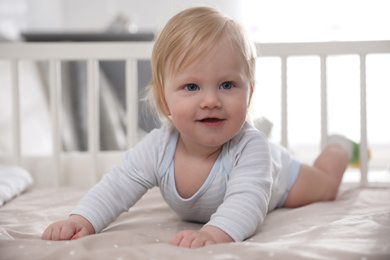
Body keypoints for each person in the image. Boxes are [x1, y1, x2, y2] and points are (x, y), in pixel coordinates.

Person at [41, 7, 359, 248]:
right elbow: (117, 186)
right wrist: (81, 220)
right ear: (164, 102)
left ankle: (339, 147)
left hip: (280, 178)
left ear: (249, 94)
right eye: (191, 87)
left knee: (327, 185)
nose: (210, 100)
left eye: (227, 85)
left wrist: (213, 233)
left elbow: (247, 201)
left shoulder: (251, 147)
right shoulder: (157, 147)